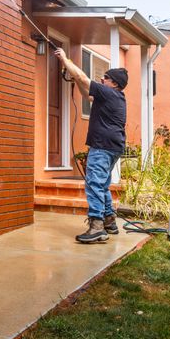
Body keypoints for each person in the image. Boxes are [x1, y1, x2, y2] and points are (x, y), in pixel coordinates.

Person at [53, 48, 128, 244]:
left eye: (105, 77)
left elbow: (82, 76)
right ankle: (110, 220)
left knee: (94, 183)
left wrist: (64, 58)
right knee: (102, 183)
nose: (102, 79)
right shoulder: (113, 96)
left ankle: (96, 226)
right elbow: (87, 94)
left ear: (115, 84)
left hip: (102, 146)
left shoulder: (109, 93)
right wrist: (74, 75)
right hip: (113, 146)